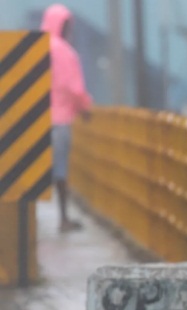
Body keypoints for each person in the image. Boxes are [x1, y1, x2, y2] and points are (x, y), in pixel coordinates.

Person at [41, 3, 92, 232]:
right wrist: (86, 109)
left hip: (34, 122)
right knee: (60, 171)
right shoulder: (65, 52)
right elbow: (75, 89)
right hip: (59, 120)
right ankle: (63, 219)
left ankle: (27, 225)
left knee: (32, 172)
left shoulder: (36, 48)